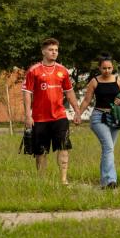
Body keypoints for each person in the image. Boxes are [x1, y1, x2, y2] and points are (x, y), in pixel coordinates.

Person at [22, 38, 81, 185]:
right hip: (39, 118)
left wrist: (77, 111)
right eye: (50, 50)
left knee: (64, 147)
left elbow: (69, 92)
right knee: (41, 151)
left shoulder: (63, 71)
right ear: (43, 51)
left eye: (56, 50)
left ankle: (63, 180)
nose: (54, 52)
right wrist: (28, 115)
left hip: (59, 116)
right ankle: (42, 181)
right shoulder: (33, 70)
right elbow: (27, 93)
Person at [79, 54, 120, 189]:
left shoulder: (118, 80)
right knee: (109, 147)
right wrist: (78, 114)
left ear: (113, 67)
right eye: (104, 68)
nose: (107, 71)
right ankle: (110, 181)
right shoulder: (94, 81)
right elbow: (87, 100)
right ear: (99, 68)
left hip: (115, 117)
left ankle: (104, 181)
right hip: (98, 117)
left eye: (109, 68)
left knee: (108, 150)